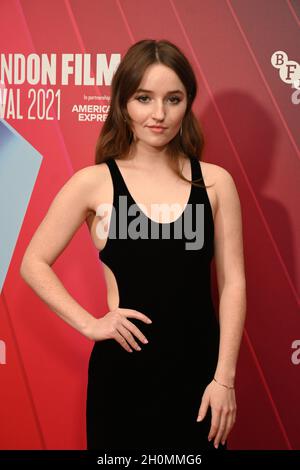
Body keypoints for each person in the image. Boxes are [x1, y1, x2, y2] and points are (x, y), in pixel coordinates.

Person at [20, 39, 246, 451]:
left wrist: (224, 378)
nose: (158, 114)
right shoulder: (93, 183)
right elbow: (33, 262)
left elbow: (233, 284)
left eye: (173, 99)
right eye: (144, 98)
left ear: (187, 103)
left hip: (201, 383)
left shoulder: (215, 182)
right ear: (124, 103)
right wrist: (90, 323)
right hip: (122, 380)